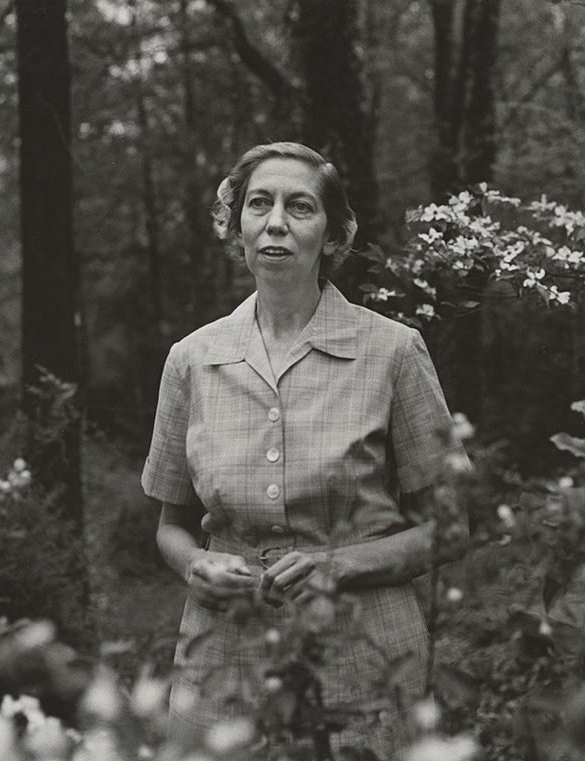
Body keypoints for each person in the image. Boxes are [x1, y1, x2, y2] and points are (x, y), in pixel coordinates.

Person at [141, 142, 468, 757]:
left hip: (365, 657)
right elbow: (172, 526)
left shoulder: (393, 352)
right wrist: (195, 566)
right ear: (235, 223)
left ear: (334, 232)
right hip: (224, 658)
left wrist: (339, 565)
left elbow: (450, 528)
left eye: (301, 207)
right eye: (259, 204)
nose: (277, 222)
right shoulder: (192, 360)